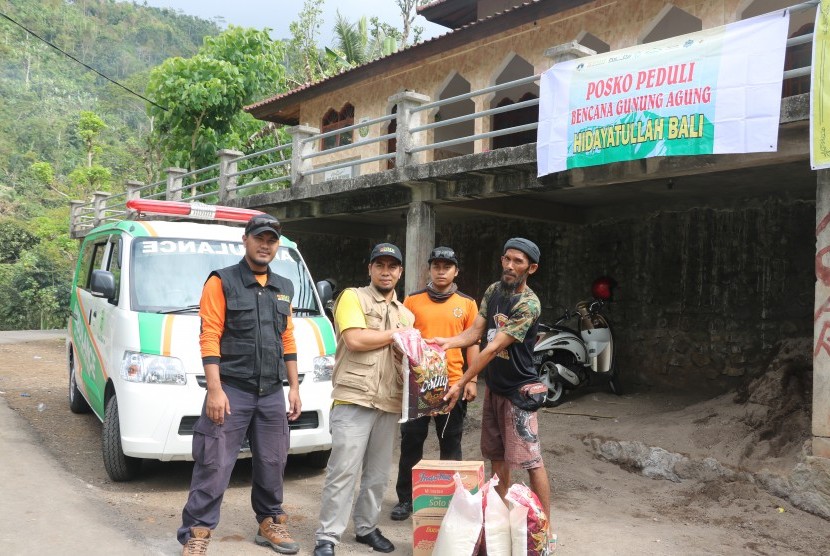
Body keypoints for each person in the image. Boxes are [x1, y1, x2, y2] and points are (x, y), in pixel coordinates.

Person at [178, 214, 302, 556]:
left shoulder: (283, 287)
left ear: (277, 245)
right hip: (231, 389)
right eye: (260, 238)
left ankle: (270, 522)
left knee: (273, 461)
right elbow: (210, 335)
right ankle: (197, 531)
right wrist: (214, 390)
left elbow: (287, 338)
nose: (265, 245)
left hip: (271, 393)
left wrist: (293, 387)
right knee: (214, 463)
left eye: (272, 240)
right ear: (245, 240)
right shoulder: (222, 281)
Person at [438, 238, 551, 536]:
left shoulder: (528, 304)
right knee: (497, 457)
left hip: (519, 392)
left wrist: (462, 381)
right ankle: (499, 524)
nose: (511, 266)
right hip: (497, 390)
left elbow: (490, 349)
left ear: (532, 268)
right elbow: (476, 333)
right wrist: (445, 343)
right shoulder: (494, 291)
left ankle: (543, 530)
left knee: (531, 461)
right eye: (507, 259)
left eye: (519, 262)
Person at [313, 243, 415, 556]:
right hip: (353, 399)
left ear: (399, 272)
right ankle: (328, 536)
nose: (386, 271)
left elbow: (409, 359)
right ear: (369, 268)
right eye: (380, 265)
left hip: (389, 402)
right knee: (343, 470)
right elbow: (355, 339)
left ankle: (366, 528)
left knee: (378, 475)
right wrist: (399, 337)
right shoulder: (351, 297)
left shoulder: (406, 314)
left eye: (392, 266)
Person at [389, 246, 480, 521]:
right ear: (429, 269)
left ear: (456, 271)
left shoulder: (467, 303)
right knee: (411, 443)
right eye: (436, 266)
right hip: (418, 384)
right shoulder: (413, 301)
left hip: (453, 384)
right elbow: (403, 336)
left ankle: (451, 501)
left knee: (450, 443)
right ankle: (406, 499)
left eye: (447, 266)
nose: (441, 271)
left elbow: (474, 342)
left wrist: (472, 379)